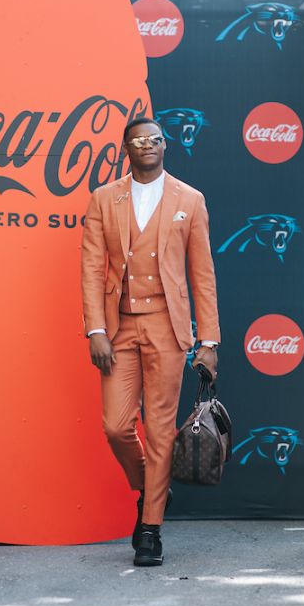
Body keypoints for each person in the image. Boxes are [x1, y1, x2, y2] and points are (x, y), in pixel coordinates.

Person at [80, 117, 221, 567]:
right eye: (139, 140)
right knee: (117, 426)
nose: (148, 145)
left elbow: (202, 275)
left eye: (155, 139)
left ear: (166, 145)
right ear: (125, 147)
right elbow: (90, 269)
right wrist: (95, 329)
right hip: (119, 326)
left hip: (168, 326)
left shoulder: (190, 199)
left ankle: (150, 528)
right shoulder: (104, 198)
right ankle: (151, 486)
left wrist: (209, 340)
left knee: (161, 430)